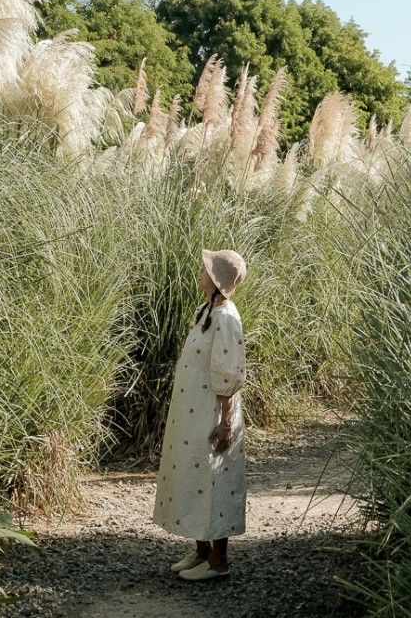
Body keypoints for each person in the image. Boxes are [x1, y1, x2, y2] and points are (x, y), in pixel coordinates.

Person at [152, 248, 248, 580]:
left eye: (206, 269)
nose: (200, 272)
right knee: (195, 475)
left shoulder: (226, 318)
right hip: (193, 411)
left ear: (218, 280)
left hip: (212, 412)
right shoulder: (207, 309)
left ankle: (219, 562)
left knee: (214, 478)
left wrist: (225, 423)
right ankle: (201, 552)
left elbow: (228, 373)